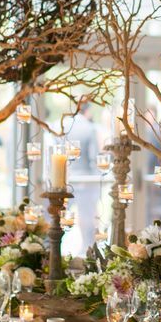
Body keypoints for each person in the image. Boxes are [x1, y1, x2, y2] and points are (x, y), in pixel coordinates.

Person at [64, 103, 99, 252]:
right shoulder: (89, 128)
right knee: (86, 218)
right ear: (87, 111)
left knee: (63, 217)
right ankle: (87, 249)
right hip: (85, 181)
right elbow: (94, 158)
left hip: (67, 179)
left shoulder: (65, 126)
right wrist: (97, 183)